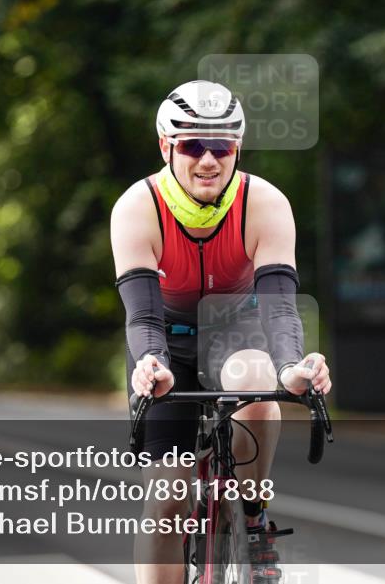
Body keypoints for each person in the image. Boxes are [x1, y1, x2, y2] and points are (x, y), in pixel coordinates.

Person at [111, 80, 332, 584]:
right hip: (164, 342)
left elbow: (279, 308)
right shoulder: (137, 207)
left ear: (238, 149)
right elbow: (142, 318)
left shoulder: (265, 202)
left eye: (222, 146)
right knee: (167, 499)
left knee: (258, 379)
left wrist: (292, 368)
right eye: (192, 145)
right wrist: (151, 365)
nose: (208, 160)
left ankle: (253, 519)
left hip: (235, 331)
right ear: (166, 146)